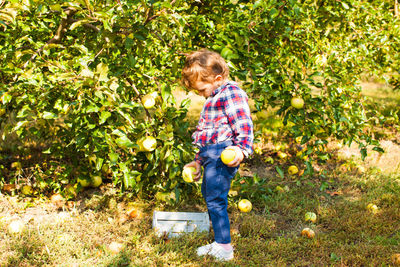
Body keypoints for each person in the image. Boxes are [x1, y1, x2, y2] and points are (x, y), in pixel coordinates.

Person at [182, 49, 254, 261]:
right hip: (211, 156)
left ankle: (224, 248)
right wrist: (197, 160)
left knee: (216, 200)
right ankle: (219, 242)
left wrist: (241, 149)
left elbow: (243, 124)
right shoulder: (214, 97)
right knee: (210, 196)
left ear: (218, 79)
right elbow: (207, 134)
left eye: (202, 89)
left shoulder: (231, 93)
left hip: (223, 155)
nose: (201, 94)